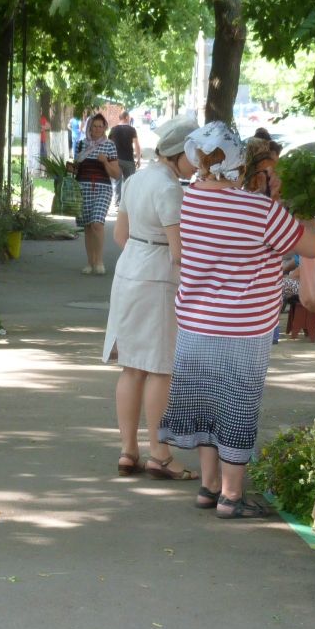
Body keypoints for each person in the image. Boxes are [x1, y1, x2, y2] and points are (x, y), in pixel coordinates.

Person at [159, 124, 315, 519]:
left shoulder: (191, 200)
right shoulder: (262, 212)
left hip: (196, 325)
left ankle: (208, 484)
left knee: (206, 406)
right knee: (236, 408)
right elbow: (313, 246)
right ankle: (231, 496)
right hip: (242, 328)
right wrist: (308, 213)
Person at [102, 115, 198, 481]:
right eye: (195, 154)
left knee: (132, 366)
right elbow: (179, 252)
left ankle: (129, 451)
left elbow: (120, 236)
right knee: (160, 367)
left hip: (130, 269)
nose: (199, 162)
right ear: (179, 153)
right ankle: (159, 453)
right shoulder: (171, 188)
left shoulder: (137, 179)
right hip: (158, 276)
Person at [74, 114, 120, 275]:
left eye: (101, 126)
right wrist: (69, 169)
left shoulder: (109, 146)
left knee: (97, 223)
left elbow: (116, 174)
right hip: (83, 188)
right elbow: (76, 169)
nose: (98, 129)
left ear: (105, 128)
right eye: (95, 126)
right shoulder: (80, 145)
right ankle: (90, 262)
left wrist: (105, 162)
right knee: (87, 226)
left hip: (103, 189)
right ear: (89, 128)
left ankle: (99, 261)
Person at [109, 110, 141, 201]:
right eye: (129, 116)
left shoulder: (113, 129)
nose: (130, 118)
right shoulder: (132, 130)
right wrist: (138, 159)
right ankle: (128, 202)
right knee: (130, 182)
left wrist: (109, 159)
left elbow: (109, 144)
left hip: (116, 160)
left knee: (117, 181)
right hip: (128, 160)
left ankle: (117, 202)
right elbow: (137, 145)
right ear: (126, 117)